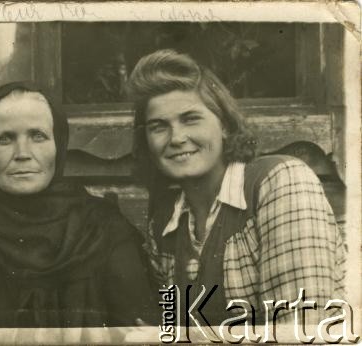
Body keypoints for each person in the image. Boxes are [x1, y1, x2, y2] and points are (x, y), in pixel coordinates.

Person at [0, 81, 155, 329]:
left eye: (38, 136)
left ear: (59, 144)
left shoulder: (103, 228)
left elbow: (142, 332)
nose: (22, 152)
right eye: (4, 139)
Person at [126, 49, 345, 325]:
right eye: (159, 127)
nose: (177, 138)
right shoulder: (165, 222)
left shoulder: (282, 182)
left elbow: (302, 331)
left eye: (191, 119)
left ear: (226, 126)